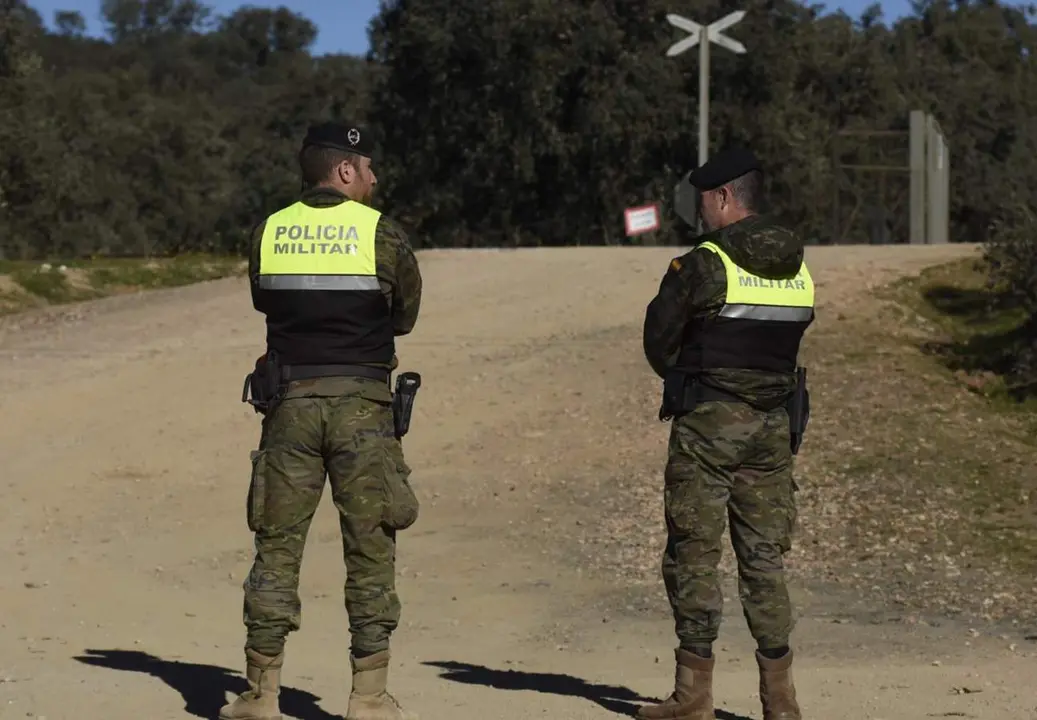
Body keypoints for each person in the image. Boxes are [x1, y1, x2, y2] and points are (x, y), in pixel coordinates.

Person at [220, 121, 423, 720]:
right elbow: (405, 315)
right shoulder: (381, 233)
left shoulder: (269, 231)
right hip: (362, 409)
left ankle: (260, 692)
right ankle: (369, 696)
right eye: (367, 168)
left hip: (288, 407)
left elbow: (265, 299)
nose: (374, 177)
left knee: (276, 549)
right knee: (370, 550)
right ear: (343, 171)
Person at [639, 147, 815, 720]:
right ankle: (780, 701)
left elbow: (659, 341)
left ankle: (692, 699)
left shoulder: (704, 264)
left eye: (705, 200)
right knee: (764, 558)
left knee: (693, 554)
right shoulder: (798, 267)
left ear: (722, 198)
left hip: (709, 426)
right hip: (772, 428)